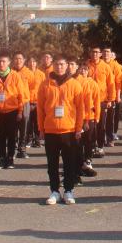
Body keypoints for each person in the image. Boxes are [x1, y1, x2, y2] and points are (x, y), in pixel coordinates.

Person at [37, 55, 84, 205]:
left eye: (62, 64)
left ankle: (68, 190)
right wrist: (41, 129)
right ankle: (54, 191)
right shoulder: (45, 85)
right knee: (52, 164)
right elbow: (40, 109)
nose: (59, 67)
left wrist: (79, 128)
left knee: (69, 162)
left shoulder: (74, 84)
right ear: (53, 65)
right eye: (57, 64)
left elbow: (80, 108)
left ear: (67, 65)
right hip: (50, 130)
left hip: (69, 130)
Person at [0, 52, 28, 170]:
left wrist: (20, 111)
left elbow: (21, 95)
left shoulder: (15, 76)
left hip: (12, 111)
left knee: (12, 137)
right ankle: (2, 159)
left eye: (4, 61)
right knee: (1, 137)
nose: (1, 64)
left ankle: (10, 159)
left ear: (9, 62)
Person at [86, 47, 115, 157]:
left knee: (101, 124)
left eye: (97, 52)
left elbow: (111, 84)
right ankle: (91, 146)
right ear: (90, 53)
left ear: (100, 54)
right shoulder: (86, 65)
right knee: (90, 125)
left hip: (102, 100)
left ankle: (100, 146)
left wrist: (110, 99)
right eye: (93, 52)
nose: (95, 54)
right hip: (88, 101)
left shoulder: (106, 67)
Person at [76, 62, 102, 179]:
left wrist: (97, 116)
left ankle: (88, 159)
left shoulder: (93, 84)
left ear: (88, 72)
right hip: (78, 117)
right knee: (78, 141)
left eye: (85, 70)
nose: (83, 72)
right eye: (81, 69)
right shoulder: (75, 82)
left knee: (89, 140)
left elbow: (97, 101)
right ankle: (79, 162)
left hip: (90, 116)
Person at [19, 54, 43, 148]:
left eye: (34, 61)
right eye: (30, 61)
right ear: (27, 62)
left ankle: (37, 140)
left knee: (37, 122)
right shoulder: (25, 73)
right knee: (28, 122)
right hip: (28, 101)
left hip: (38, 101)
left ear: (36, 63)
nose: (32, 63)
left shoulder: (41, 74)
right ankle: (28, 139)